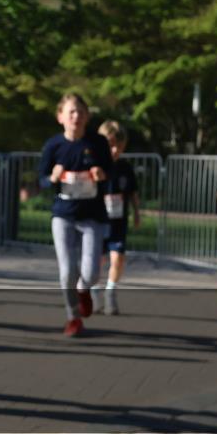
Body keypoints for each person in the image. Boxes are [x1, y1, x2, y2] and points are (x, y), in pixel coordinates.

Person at [38, 93, 112, 337]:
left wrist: (101, 174)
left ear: (87, 116)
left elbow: (110, 173)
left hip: (92, 214)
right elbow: (41, 181)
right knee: (66, 269)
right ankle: (73, 317)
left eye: (80, 112)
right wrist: (52, 178)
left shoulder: (98, 143)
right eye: (71, 112)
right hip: (63, 214)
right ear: (60, 117)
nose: (76, 116)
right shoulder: (53, 146)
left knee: (90, 272)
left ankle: (83, 290)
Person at [91, 121, 140, 315]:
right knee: (96, 261)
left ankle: (110, 291)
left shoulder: (125, 168)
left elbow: (133, 193)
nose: (114, 150)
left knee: (117, 258)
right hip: (98, 219)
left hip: (118, 221)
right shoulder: (95, 167)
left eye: (118, 146)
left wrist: (137, 213)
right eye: (110, 145)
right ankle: (94, 291)